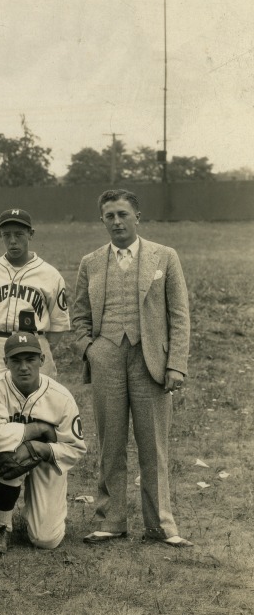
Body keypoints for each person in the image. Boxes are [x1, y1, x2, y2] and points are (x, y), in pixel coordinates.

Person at [71, 189, 192, 547]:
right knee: (110, 443)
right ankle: (111, 521)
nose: (117, 222)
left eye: (123, 214)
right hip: (106, 356)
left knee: (153, 444)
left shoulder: (164, 257)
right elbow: (78, 314)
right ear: (102, 220)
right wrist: (90, 349)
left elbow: (180, 316)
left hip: (150, 359)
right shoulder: (90, 261)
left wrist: (176, 365)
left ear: (137, 216)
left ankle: (160, 525)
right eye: (109, 216)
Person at [0, 332, 86, 554]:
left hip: (47, 458)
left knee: (46, 540)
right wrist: (40, 429)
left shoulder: (61, 397)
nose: (24, 367)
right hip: (9, 452)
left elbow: (75, 448)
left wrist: (39, 447)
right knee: (8, 449)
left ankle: (33, 508)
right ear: (5, 362)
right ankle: (2, 525)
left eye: (30, 359)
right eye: (16, 360)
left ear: (42, 360)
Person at [0, 208, 69, 399]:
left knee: (38, 406)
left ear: (31, 234)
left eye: (19, 234)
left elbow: (58, 324)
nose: (13, 241)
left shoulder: (50, 274)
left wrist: (40, 346)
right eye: (6, 235)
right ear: (0, 235)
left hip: (33, 345)